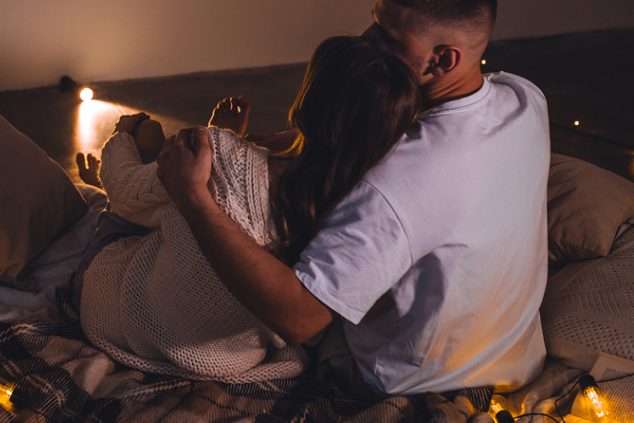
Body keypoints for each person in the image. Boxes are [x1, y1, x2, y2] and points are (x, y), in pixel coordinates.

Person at [156, 0, 551, 397]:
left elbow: (301, 318)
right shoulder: (523, 99)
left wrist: (192, 197)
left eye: (386, 37)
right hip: (514, 355)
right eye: (373, 22)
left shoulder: (393, 186)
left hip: (412, 382)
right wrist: (302, 136)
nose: (365, 39)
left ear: (441, 60)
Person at [73, 36, 420, 381]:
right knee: (174, 200)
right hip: (232, 359)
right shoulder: (362, 201)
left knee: (146, 147)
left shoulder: (223, 154)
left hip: (138, 326)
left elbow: (127, 193)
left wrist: (121, 135)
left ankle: (105, 173)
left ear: (311, 96)